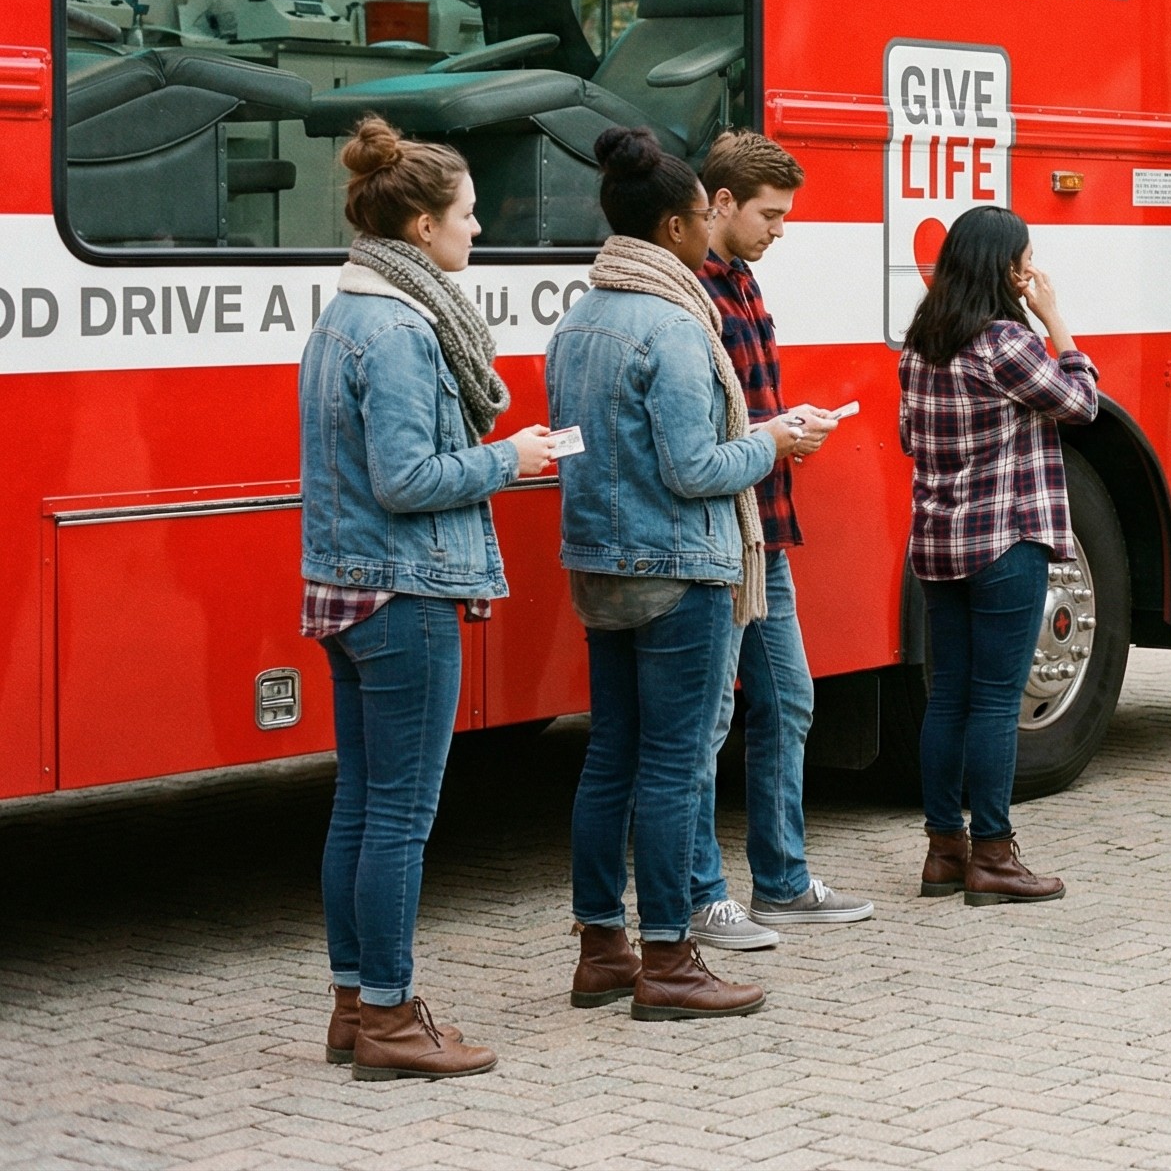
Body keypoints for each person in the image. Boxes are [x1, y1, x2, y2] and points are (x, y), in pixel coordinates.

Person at [300, 115, 554, 1080]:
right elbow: (408, 478)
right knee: (400, 818)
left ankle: (352, 1007)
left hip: (346, 589)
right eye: (469, 214)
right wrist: (508, 458)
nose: (478, 230)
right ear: (421, 229)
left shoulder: (343, 317)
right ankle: (395, 1020)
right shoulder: (403, 329)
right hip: (404, 596)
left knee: (361, 809)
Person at [547, 126, 806, 1020]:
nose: (710, 233)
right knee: (672, 766)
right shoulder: (677, 324)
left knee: (610, 758)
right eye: (702, 217)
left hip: (598, 565)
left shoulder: (579, 319)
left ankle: (600, 948)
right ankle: (668, 958)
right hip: (682, 568)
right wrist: (768, 443)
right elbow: (697, 469)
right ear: (671, 227)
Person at [686, 130, 875, 952]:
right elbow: (700, 432)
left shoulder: (743, 280)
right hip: (727, 531)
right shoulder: (696, 291)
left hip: (762, 527)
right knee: (710, 719)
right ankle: (702, 896)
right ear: (719, 203)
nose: (780, 229)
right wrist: (778, 436)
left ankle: (783, 883)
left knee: (787, 699)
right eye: (769, 213)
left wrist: (784, 429)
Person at [898, 205, 1098, 904]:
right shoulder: (1007, 342)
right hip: (1005, 540)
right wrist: (1057, 322)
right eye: (1025, 259)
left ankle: (943, 851)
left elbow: (907, 439)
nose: (1030, 269)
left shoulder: (919, 346)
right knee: (993, 700)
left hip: (937, 539)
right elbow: (1081, 404)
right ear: (1007, 269)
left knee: (947, 695)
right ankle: (994, 854)